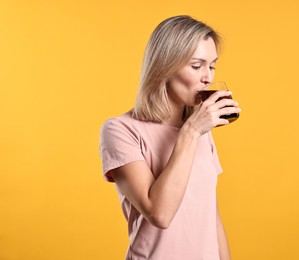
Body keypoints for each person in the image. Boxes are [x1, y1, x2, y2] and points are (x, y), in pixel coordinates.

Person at [99, 15, 240, 260]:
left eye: (212, 65)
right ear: (165, 66)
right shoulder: (120, 130)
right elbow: (159, 214)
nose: (207, 76)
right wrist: (191, 132)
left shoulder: (199, 129)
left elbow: (211, 216)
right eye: (196, 66)